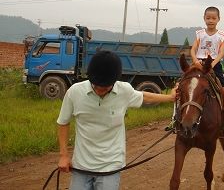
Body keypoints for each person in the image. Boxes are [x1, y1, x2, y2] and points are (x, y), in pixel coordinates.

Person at [57, 50, 177, 190]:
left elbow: (144, 96)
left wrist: (170, 98)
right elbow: (63, 122)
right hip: (81, 167)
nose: (100, 89)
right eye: (97, 85)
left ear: (114, 81)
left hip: (110, 167)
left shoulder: (124, 90)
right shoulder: (74, 92)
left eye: (105, 86)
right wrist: (63, 155)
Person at [191, 6, 224, 137]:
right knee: (180, 86)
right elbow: (193, 49)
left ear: (218, 19)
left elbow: (221, 53)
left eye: (213, 18)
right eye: (208, 18)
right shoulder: (200, 34)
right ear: (204, 18)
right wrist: (195, 60)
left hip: (214, 64)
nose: (210, 20)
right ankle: (175, 119)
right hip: (199, 63)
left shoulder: (221, 36)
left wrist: (212, 64)